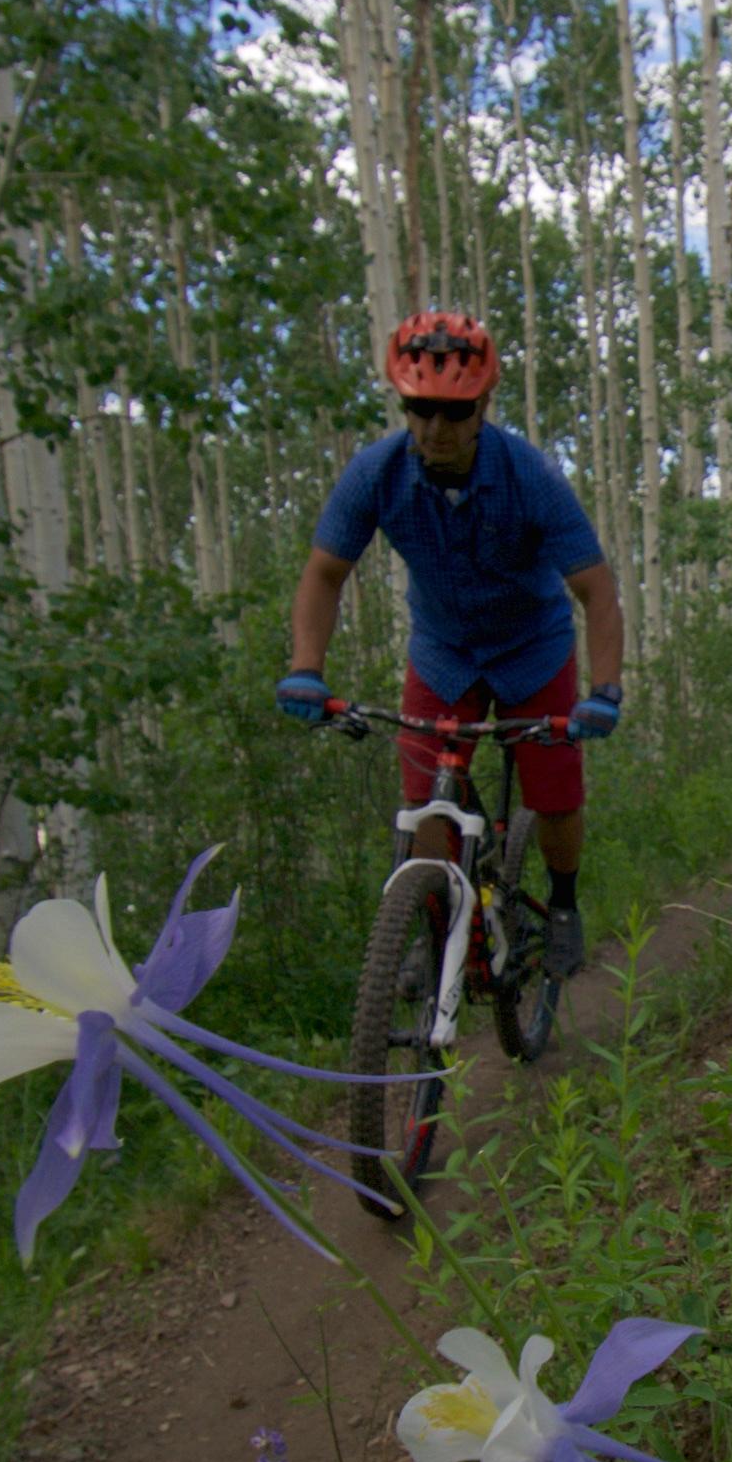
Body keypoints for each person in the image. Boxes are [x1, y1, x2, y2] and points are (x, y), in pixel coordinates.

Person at [277, 311, 625, 979]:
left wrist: (603, 691)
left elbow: (597, 591)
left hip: (533, 647)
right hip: (443, 652)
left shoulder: (529, 477)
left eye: (451, 412)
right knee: (425, 803)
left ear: (482, 408)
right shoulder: (375, 474)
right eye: (418, 409)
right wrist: (304, 670)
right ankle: (436, 932)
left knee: (553, 792)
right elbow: (323, 575)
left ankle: (561, 906)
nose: (433, 429)